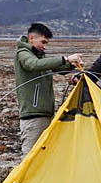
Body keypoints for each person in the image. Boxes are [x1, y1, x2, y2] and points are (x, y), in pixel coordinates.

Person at [15, 23, 83, 155]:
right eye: (43, 42)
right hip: (33, 116)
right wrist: (65, 59)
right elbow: (33, 65)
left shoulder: (40, 55)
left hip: (45, 114)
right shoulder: (23, 54)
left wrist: (71, 65)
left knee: (44, 154)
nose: (45, 46)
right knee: (30, 156)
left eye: (47, 43)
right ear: (31, 38)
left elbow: (57, 68)